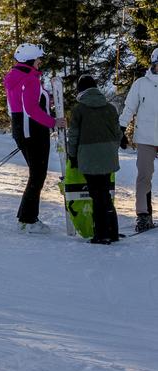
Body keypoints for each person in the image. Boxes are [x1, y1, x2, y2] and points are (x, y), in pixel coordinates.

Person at [2, 43, 63, 234]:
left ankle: (26, 218)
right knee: (37, 175)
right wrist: (53, 122)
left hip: (23, 129)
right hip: (33, 132)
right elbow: (31, 109)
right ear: (29, 60)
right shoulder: (30, 79)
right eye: (38, 58)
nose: (40, 62)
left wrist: (47, 101)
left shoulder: (16, 77)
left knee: (36, 175)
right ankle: (28, 220)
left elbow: (25, 105)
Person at [67, 75, 122, 244]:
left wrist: (72, 156)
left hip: (89, 157)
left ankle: (102, 234)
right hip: (108, 156)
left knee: (97, 195)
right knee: (105, 193)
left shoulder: (79, 110)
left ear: (81, 91)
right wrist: (110, 149)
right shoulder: (110, 108)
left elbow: (73, 136)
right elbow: (118, 133)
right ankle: (112, 231)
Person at [119, 48, 158, 233]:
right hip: (145, 137)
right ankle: (143, 215)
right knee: (144, 176)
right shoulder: (141, 84)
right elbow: (129, 107)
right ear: (153, 64)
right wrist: (121, 128)